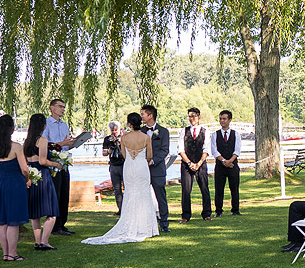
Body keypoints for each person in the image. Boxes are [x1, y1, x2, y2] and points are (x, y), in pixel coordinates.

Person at [82, 112, 160, 245]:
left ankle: (130, 222)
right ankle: (146, 227)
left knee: (130, 193)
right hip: (142, 167)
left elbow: (124, 154)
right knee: (144, 194)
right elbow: (149, 156)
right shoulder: (146, 137)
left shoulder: (124, 138)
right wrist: (141, 158)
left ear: (129, 123)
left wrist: (132, 157)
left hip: (129, 167)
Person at [0, 114, 32, 261]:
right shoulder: (16, 147)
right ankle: (13, 253)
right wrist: (28, 180)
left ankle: (5, 254)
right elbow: (24, 169)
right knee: (13, 220)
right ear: (11, 129)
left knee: (2, 221)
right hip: (15, 183)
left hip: (2, 183)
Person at [24, 113, 62, 251]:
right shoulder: (43, 140)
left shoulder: (26, 142)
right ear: (43, 125)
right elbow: (42, 161)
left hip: (32, 177)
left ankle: (37, 241)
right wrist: (56, 164)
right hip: (43, 176)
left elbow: (26, 161)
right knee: (51, 211)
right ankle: (45, 242)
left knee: (35, 212)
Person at [42, 98, 75, 236]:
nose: (62, 109)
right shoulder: (46, 124)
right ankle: (55, 225)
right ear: (52, 108)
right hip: (53, 163)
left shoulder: (64, 125)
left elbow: (65, 144)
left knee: (64, 193)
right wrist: (61, 143)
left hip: (64, 163)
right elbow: (45, 144)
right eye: (60, 106)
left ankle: (62, 223)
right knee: (55, 193)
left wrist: (72, 143)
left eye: (63, 107)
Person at [140, 104, 171, 232]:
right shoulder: (140, 132)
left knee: (161, 197)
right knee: (142, 197)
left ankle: (164, 224)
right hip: (142, 170)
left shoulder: (163, 131)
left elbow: (165, 150)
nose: (141, 116)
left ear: (150, 115)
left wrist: (153, 161)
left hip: (157, 170)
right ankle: (145, 224)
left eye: (143, 114)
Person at [178, 107, 212, 222]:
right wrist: (189, 163)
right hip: (186, 164)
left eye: (194, 116)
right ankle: (185, 215)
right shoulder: (184, 131)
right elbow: (181, 149)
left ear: (199, 117)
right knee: (186, 190)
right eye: (190, 116)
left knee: (204, 188)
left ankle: (207, 214)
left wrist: (199, 163)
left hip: (201, 163)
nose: (191, 119)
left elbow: (206, 149)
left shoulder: (205, 131)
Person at [210, 110, 243, 216]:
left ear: (229, 120)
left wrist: (230, 161)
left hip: (233, 165)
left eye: (224, 119)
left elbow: (237, 150)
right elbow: (214, 150)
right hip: (220, 165)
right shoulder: (215, 134)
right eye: (220, 118)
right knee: (219, 189)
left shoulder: (236, 134)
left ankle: (235, 210)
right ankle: (218, 211)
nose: (222, 121)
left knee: (234, 188)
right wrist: (224, 161)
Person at [102, 121, 125, 213]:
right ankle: (120, 209)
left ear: (119, 129)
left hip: (124, 164)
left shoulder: (124, 138)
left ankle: (128, 208)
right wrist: (108, 151)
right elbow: (103, 152)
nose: (114, 132)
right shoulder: (107, 139)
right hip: (113, 165)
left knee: (127, 187)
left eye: (116, 130)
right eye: (112, 130)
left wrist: (119, 142)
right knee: (117, 189)